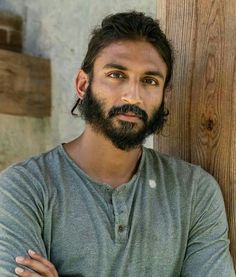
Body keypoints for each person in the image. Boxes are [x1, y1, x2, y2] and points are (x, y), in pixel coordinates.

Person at [0, 11, 234, 277]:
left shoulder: (195, 193)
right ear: (82, 84)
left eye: (149, 81)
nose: (132, 96)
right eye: (116, 75)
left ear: (164, 96)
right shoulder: (23, 190)